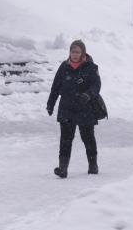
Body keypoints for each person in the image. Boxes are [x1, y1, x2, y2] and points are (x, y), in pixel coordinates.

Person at [46, 39, 101, 178]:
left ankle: (93, 165)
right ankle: (63, 168)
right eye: (73, 51)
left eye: (77, 52)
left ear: (83, 53)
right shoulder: (64, 67)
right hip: (67, 108)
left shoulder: (91, 67)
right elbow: (55, 87)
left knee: (88, 138)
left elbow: (96, 85)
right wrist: (50, 104)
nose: (75, 54)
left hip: (85, 109)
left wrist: (88, 94)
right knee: (65, 140)